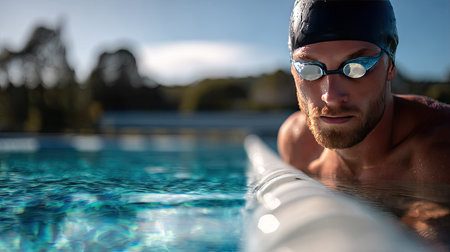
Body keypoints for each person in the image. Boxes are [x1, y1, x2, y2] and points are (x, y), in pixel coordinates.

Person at [278, 0, 450, 183]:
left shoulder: (439, 154)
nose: (331, 97)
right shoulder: (296, 143)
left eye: (356, 67)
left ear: (390, 67)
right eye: (309, 69)